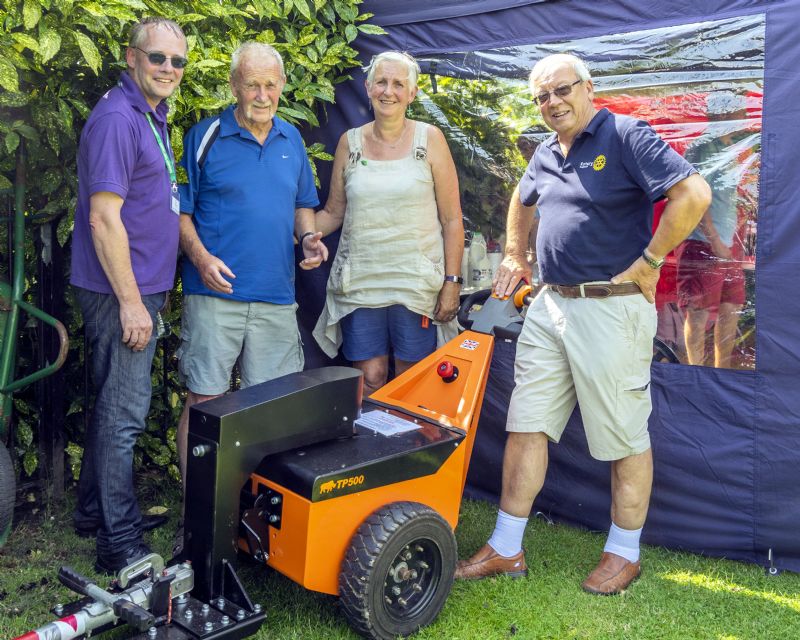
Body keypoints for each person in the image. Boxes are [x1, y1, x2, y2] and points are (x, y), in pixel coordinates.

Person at [454, 54, 711, 594]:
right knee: (527, 424)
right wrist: (516, 255)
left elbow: (694, 194)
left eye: (561, 90)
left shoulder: (625, 135)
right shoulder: (546, 151)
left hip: (612, 307)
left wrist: (651, 261)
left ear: (588, 87)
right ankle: (505, 546)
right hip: (548, 305)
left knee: (622, 436)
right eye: (542, 97)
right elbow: (522, 199)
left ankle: (624, 553)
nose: (552, 103)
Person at [176, 42, 326, 482]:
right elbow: (180, 214)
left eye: (270, 85)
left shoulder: (292, 138)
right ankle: (198, 511)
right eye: (252, 85)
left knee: (270, 407)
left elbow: (302, 205)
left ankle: (255, 512)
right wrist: (201, 259)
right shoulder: (205, 136)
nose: (262, 95)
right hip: (214, 294)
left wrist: (309, 238)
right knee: (205, 403)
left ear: (281, 86)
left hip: (276, 297)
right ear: (234, 86)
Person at [69, 17, 188, 573]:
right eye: (158, 58)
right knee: (124, 414)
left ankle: (95, 510)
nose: (168, 69)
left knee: (112, 402)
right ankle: (119, 544)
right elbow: (102, 219)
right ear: (132, 56)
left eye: (177, 61)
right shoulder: (118, 117)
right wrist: (132, 302)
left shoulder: (148, 114)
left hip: (133, 289)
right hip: (122, 293)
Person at [312, 51, 464, 394]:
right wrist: (299, 230)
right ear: (368, 87)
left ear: (412, 93)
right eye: (381, 82)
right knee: (369, 379)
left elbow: (452, 219)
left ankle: (413, 449)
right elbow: (334, 213)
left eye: (399, 84)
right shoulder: (349, 143)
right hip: (361, 282)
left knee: (414, 381)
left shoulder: (431, 139)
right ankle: (368, 449)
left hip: (416, 284)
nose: (388, 91)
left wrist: (452, 281)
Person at [676, 92, 758, 368]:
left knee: (731, 309)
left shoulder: (735, 148)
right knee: (698, 315)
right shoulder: (701, 149)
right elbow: (693, 200)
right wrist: (715, 241)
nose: (746, 118)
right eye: (740, 113)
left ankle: (722, 372)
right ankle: (695, 373)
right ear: (723, 115)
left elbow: (731, 196)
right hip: (704, 245)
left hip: (729, 244)